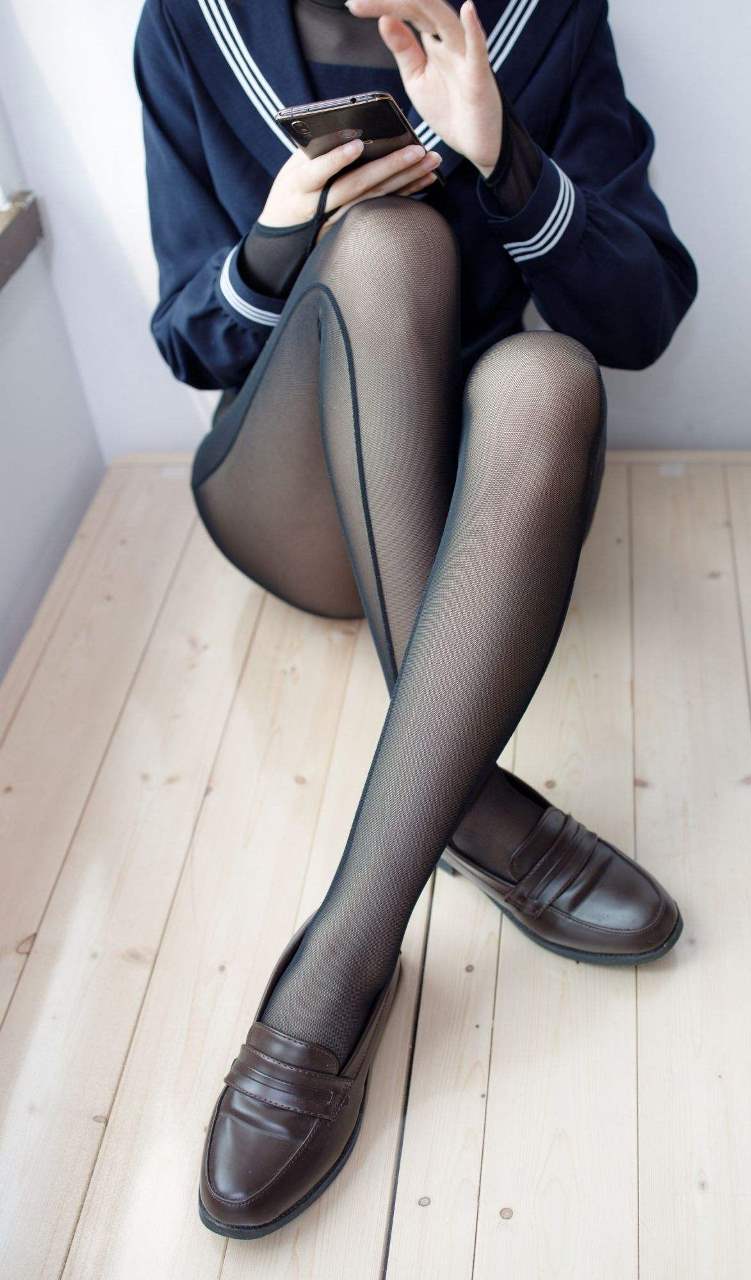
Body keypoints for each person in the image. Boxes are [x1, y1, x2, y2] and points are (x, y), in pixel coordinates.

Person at [133, 0, 698, 1239]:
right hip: (289, 489)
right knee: (387, 246)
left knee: (548, 377)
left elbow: (643, 314)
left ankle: (375, 899)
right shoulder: (188, 23)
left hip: (465, 518)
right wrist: (281, 235)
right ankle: (434, 853)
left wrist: (505, 158)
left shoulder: (547, 16)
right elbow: (187, 336)